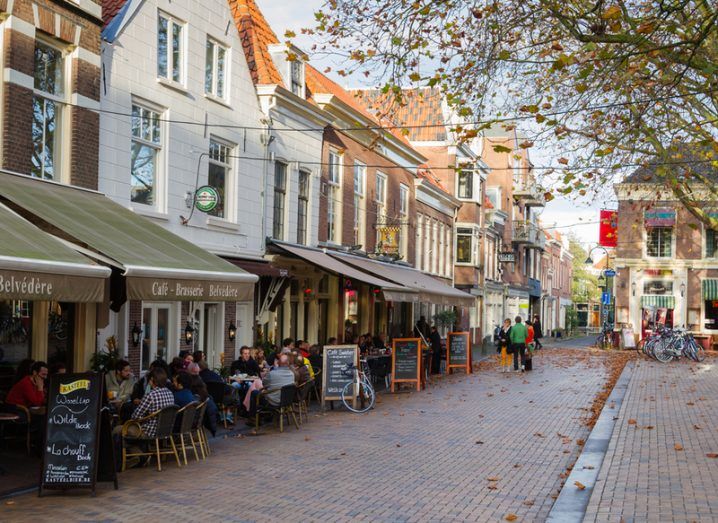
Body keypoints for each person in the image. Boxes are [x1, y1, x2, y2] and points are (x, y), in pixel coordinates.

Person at [128, 367, 174, 437]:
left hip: (149, 432)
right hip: (165, 431)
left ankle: (133, 447)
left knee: (117, 430)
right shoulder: (170, 393)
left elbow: (135, 417)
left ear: (152, 379)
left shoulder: (150, 395)